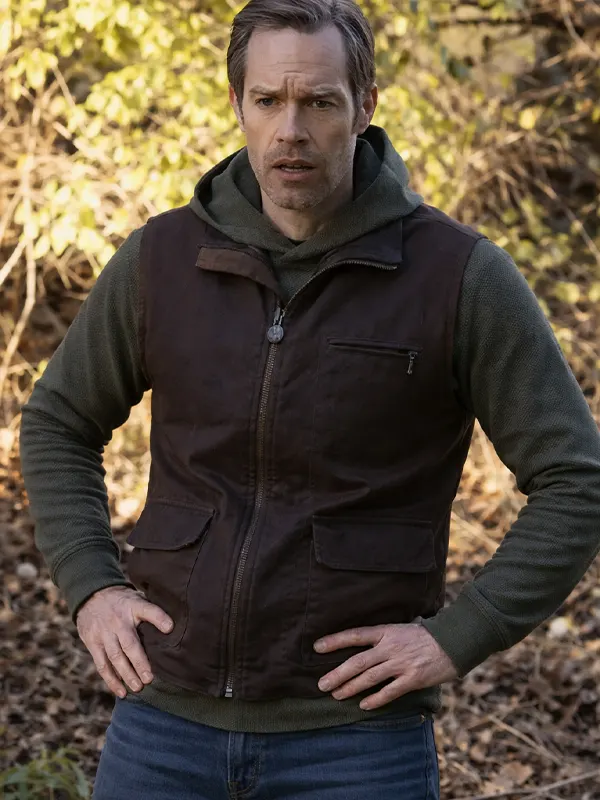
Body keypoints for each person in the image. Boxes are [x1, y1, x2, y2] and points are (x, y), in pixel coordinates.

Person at [20, 0, 600, 797]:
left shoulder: (458, 277)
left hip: (356, 742)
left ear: (364, 106)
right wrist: (92, 587)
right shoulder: (162, 260)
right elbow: (58, 420)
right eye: (268, 100)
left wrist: (459, 637)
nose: (290, 130)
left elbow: (576, 478)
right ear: (238, 103)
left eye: (319, 102)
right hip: (163, 722)